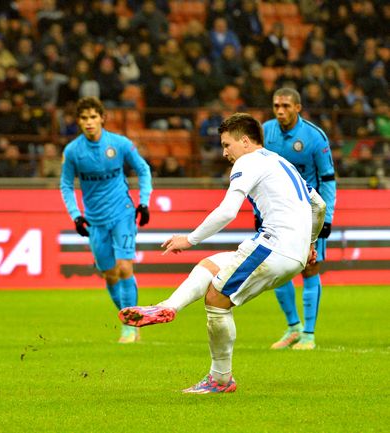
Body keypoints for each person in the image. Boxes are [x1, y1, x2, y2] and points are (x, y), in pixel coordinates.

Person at [118, 112, 326, 393]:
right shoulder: (281, 162)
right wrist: (310, 244)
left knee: (216, 299)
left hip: (273, 246)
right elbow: (319, 205)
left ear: (245, 141)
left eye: (227, 145)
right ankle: (168, 306)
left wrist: (189, 239)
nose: (225, 152)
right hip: (293, 253)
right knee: (210, 266)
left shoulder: (247, 161)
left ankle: (220, 379)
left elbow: (227, 211)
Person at [60, 96, 153, 344]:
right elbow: (66, 185)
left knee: (124, 267)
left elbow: (143, 169)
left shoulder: (120, 144)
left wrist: (144, 201)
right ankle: (128, 318)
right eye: (84, 118)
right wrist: (75, 215)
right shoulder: (73, 151)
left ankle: (130, 326)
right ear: (78, 121)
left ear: (102, 118)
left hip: (123, 212)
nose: (89, 122)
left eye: (93, 117)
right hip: (95, 219)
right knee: (110, 274)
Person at [262, 88, 337, 350]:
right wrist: (258, 212)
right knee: (277, 271)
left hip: (308, 215)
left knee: (310, 268)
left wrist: (326, 218)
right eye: (276, 106)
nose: (280, 111)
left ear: (298, 108)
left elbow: (327, 178)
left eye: (285, 106)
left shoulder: (314, 137)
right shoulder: (265, 132)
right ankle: (293, 327)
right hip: (275, 214)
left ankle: (309, 334)